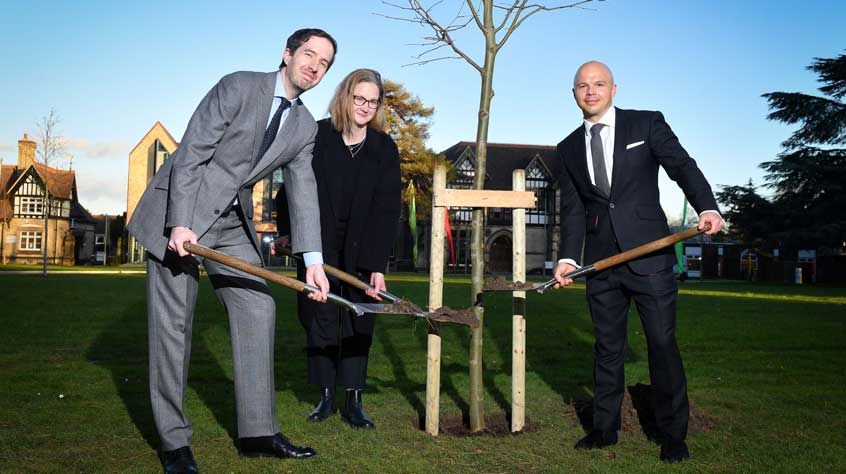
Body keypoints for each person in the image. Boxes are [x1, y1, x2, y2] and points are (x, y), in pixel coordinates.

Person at [126, 28, 336, 474]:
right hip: (179, 212)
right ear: (287, 54)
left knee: (258, 307)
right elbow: (192, 153)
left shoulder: (302, 127)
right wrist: (179, 222)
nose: (315, 65)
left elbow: (304, 192)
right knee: (174, 328)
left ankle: (258, 433)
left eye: (324, 63)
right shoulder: (238, 85)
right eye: (309, 54)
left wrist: (312, 262)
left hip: (230, 221)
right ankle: (173, 442)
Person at [553, 61, 723, 463]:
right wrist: (565, 258)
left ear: (614, 89)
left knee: (662, 344)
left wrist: (708, 207)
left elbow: (682, 166)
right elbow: (574, 211)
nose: (590, 91)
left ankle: (672, 434)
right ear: (574, 94)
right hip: (601, 262)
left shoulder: (646, 124)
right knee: (607, 348)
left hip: (651, 256)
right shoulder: (567, 148)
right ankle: (604, 429)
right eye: (582, 86)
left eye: (598, 84)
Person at [274, 68, 401, 430]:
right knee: (320, 318)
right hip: (318, 245)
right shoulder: (318, 136)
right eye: (359, 98)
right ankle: (326, 394)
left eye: (372, 101)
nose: (365, 107)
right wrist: (287, 231)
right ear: (346, 96)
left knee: (359, 319)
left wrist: (377, 264)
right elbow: (291, 189)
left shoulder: (383, 148)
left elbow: (387, 209)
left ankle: (354, 397)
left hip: (364, 246)